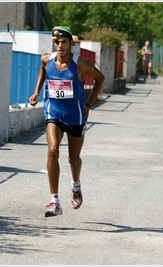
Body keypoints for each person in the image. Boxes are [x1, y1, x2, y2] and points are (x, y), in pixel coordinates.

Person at [28, 26, 105, 217]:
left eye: (64, 42)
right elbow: (43, 69)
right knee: (53, 150)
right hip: (54, 114)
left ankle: (76, 186)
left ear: (71, 43)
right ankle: (54, 201)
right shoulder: (48, 59)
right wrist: (37, 91)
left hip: (76, 117)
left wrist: (88, 105)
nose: (60, 46)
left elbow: (100, 79)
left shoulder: (81, 64)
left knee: (73, 158)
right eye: (57, 42)